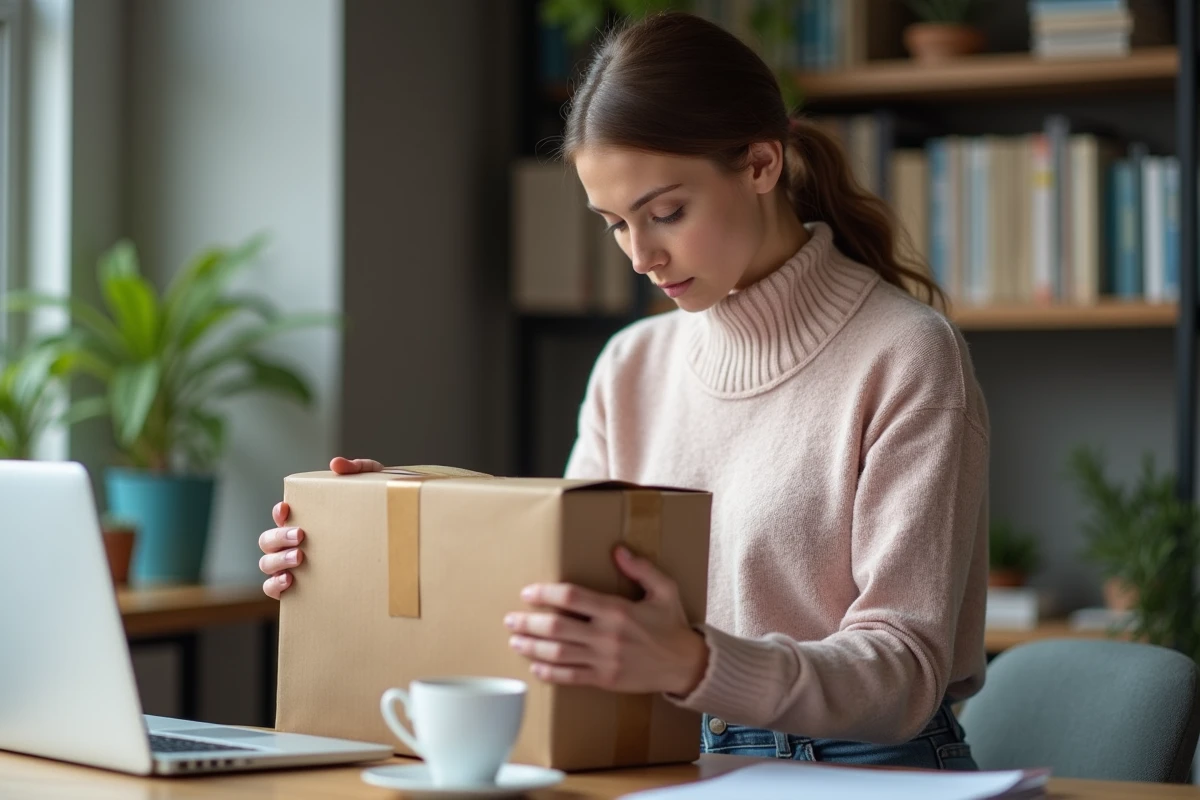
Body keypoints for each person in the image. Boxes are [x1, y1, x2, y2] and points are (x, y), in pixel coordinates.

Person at [258, 11, 988, 770]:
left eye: (666, 213)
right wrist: (374, 548)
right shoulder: (630, 366)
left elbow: (905, 670)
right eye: (614, 224)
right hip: (659, 752)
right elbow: (559, 607)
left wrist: (692, 663)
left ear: (761, 164)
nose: (640, 256)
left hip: (859, 765)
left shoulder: (906, 355)